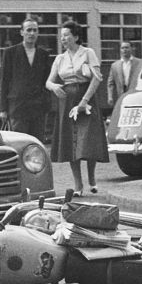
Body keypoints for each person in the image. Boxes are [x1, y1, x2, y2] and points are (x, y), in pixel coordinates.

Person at [45, 19, 108, 195]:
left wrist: (84, 101)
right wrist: (55, 87)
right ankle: (78, 185)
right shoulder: (60, 59)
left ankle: (92, 178)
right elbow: (48, 82)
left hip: (86, 98)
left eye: (66, 35)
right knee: (71, 144)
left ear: (76, 36)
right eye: (61, 36)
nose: (63, 39)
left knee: (88, 141)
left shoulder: (88, 53)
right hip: (66, 102)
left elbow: (97, 78)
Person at [0, 15, 51, 140]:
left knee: (37, 143)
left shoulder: (44, 54)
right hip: (18, 108)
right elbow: (5, 81)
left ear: (38, 33)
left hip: (38, 109)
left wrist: (46, 105)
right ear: (22, 32)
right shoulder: (10, 53)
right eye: (28, 30)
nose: (32, 33)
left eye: (35, 30)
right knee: (19, 142)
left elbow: (47, 81)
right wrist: (3, 109)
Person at [107, 40, 142, 105]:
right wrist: (110, 96)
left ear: (131, 49)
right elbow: (110, 83)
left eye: (126, 47)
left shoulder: (139, 63)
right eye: (122, 48)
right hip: (121, 96)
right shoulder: (115, 65)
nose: (124, 50)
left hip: (136, 95)